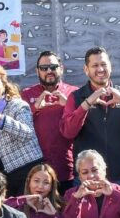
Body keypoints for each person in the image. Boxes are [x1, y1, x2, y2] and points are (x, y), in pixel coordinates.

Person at [60, 47, 120, 188]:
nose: (100, 69)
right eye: (95, 65)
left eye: (103, 64)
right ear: (86, 69)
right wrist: (87, 103)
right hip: (86, 179)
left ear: (110, 67)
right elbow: (68, 131)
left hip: (119, 177)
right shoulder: (76, 97)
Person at [0, 63, 44, 197]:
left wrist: (1, 119)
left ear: (4, 85)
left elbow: (27, 133)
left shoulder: (17, 105)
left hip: (25, 169)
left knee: (27, 213)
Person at [21, 51, 78, 192]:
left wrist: (69, 106)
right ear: (37, 71)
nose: (49, 71)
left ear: (61, 68)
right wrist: (35, 108)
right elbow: (19, 127)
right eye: (44, 68)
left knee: (67, 211)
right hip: (36, 171)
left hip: (67, 168)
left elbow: (85, 124)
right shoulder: (26, 94)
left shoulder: (74, 93)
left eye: (53, 67)